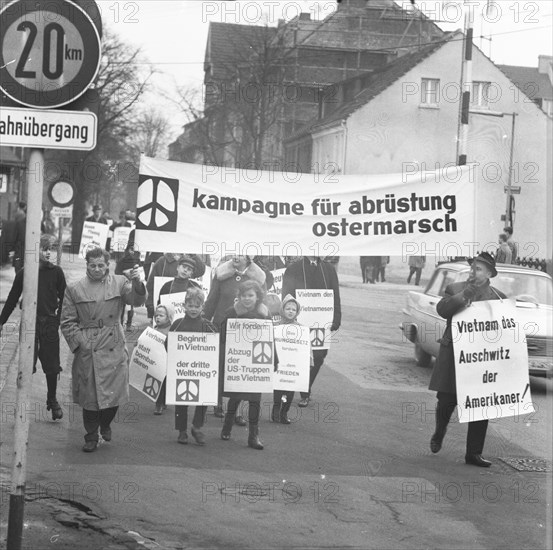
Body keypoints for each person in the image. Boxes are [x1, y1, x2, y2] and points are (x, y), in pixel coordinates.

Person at [60, 247, 147, 453]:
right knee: (90, 397)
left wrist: (137, 282)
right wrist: (80, 343)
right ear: (87, 265)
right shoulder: (74, 288)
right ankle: (90, 435)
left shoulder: (120, 282)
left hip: (113, 344)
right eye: (93, 265)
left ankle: (106, 423)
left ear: (108, 265)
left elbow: (136, 300)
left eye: (101, 265)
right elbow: (67, 321)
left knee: (113, 396)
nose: (97, 269)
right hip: (88, 346)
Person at [428, 252, 506, 467]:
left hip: (481, 360)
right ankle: (439, 432)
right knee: (446, 400)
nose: (474, 272)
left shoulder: (499, 298)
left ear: (490, 273)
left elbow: (504, 331)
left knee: (481, 404)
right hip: (454, 356)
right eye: (472, 268)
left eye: (479, 269)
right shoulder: (455, 289)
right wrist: (465, 295)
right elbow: (442, 310)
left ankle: (473, 453)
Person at [0, 234, 66, 420]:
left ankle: (52, 399)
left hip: (49, 324)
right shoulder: (25, 272)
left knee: (52, 366)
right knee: (27, 365)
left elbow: (65, 298)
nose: (47, 253)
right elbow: (12, 298)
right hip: (30, 324)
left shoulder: (57, 273)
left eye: (50, 249)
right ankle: (22, 402)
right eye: (44, 248)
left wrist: (58, 319)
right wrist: (1, 321)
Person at [204, 255, 268, 420]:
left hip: (246, 331)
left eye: (239, 253)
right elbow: (211, 300)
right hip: (222, 326)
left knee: (240, 369)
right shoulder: (221, 274)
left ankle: (237, 411)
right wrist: (204, 322)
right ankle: (217, 402)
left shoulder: (259, 277)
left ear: (248, 257)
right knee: (220, 367)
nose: (235, 257)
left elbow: (262, 304)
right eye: (233, 253)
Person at [219, 280, 274, 450]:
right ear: (239, 296)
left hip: (256, 363)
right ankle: (227, 426)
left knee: (255, 401)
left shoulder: (264, 314)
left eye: (251, 295)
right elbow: (222, 335)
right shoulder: (232, 313)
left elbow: (271, 339)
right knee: (235, 397)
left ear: (258, 296)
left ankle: (253, 435)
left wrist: (274, 360)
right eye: (244, 295)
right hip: (239, 360)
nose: (247, 299)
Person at [281, 256, 341, 407]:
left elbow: (335, 296)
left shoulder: (328, 269)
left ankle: (305, 387)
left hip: (322, 324)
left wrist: (336, 318)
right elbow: (286, 296)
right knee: (299, 357)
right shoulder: (293, 269)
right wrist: (288, 318)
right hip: (298, 322)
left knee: (319, 357)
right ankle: (301, 392)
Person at [169, 288, 216, 445]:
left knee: (203, 400)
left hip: (201, 370)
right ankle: (182, 431)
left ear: (202, 307)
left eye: (197, 306)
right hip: (182, 370)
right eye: (190, 305)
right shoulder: (177, 325)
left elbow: (214, 348)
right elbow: (168, 344)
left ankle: (196, 427)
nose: (194, 309)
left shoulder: (208, 326)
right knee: (181, 401)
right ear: (184, 306)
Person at [272, 294, 304, 424]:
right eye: (288, 308)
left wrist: (308, 361)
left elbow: (306, 348)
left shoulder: (301, 329)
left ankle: (284, 412)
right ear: (282, 310)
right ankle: (276, 411)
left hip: (293, 365)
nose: (290, 311)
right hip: (279, 364)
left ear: (297, 312)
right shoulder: (276, 326)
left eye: (293, 309)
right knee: (278, 389)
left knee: (290, 391)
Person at [145, 253, 206, 319]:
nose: (185, 270)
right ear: (178, 267)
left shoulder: (194, 286)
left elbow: (201, 270)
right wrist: (150, 307)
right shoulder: (163, 262)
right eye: (184, 267)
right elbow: (151, 285)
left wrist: (192, 253)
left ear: (191, 273)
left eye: (189, 269)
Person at [151, 304, 174, 415]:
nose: (158, 318)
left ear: (168, 316)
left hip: (167, 361)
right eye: (156, 315)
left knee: (164, 383)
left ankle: (161, 403)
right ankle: (159, 403)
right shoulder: (154, 329)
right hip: (157, 361)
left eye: (161, 315)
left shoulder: (172, 330)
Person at [10, 201, 26, 273]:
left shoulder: (17, 214)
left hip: (19, 248)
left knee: (18, 266)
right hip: (21, 247)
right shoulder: (22, 215)